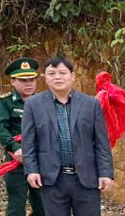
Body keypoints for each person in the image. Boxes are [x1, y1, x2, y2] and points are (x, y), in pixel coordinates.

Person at [22, 55, 114, 216]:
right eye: (52, 73)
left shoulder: (90, 104)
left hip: (86, 178)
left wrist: (106, 173)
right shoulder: (33, 104)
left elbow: (101, 143)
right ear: (45, 78)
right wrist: (31, 170)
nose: (57, 77)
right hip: (52, 178)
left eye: (62, 73)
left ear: (72, 76)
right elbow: (29, 142)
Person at [0, 58, 43, 216]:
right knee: (16, 205)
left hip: (41, 159)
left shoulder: (44, 101)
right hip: (17, 160)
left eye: (32, 80)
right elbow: (0, 128)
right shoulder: (5, 102)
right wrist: (15, 148)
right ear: (13, 81)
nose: (29, 84)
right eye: (23, 80)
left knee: (43, 205)